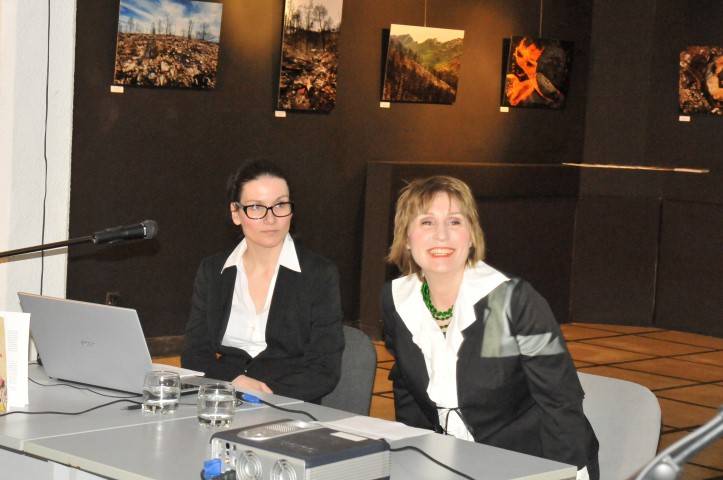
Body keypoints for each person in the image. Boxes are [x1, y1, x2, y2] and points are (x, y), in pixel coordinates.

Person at [382, 176, 599, 479]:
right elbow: (406, 384)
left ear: (471, 236)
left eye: (455, 222)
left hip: (532, 461)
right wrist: (411, 458)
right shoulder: (397, 300)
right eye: (427, 222)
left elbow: (560, 400)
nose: (441, 235)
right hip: (451, 460)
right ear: (406, 238)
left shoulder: (513, 302)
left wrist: (562, 473)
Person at [181, 160, 344, 403]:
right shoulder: (213, 271)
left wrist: (263, 395)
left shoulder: (319, 274)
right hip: (223, 399)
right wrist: (232, 381)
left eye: (280, 205)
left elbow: (324, 369)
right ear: (236, 213)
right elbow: (194, 354)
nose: (271, 219)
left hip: (289, 404)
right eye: (256, 207)